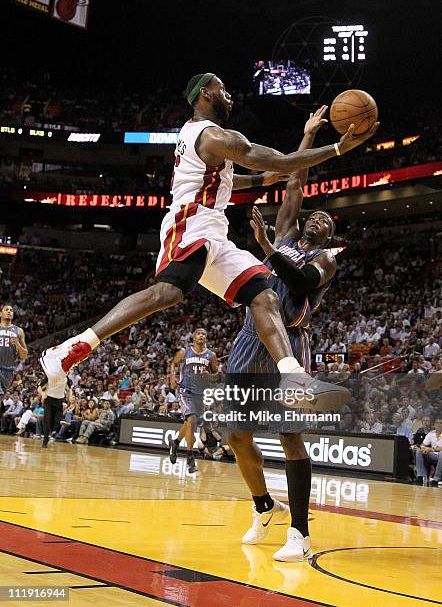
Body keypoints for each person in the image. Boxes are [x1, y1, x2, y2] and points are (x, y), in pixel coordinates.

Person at [39, 73, 378, 410]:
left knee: (264, 296)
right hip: (192, 220)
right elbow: (281, 161)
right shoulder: (213, 136)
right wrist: (336, 148)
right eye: (223, 88)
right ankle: (71, 349)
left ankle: (293, 378)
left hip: (213, 228)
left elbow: (228, 180)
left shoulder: (200, 137)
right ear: (205, 94)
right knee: (168, 292)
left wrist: (262, 178)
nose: (229, 94)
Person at [226, 108, 339, 563]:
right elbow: (294, 180)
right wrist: (309, 133)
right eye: (315, 218)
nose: (319, 221)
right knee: (235, 433)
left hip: (291, 341)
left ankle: (301, 533)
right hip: (251, 336)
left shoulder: (329, 258)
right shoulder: (289, 230)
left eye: (327, 222)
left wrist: (269, 248)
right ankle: (263, 505)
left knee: (290, 436)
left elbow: (304, 283)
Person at [169, 328, 218, 473]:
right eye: (199, 333)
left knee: (189, 423)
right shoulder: (185, 352)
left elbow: (215, 373)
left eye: (204, 333)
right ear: (194, 337)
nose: (201, 335)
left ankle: (175, 443)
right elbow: (173, 363)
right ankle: (190, 458)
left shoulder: (211, 355)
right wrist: (172, 377)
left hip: (200, 394)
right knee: (192, 419)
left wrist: (209, 374)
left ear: (206, 338)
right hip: (186, 391)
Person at [38, 374, 73, 448]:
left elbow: (69, 389)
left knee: (57, 420)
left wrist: (69, 396)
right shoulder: (49, 376)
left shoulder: (66, 378)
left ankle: (53, 432)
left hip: (59, 400)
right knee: (47, 419)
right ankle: (45, 439)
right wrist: (43, 394)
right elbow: (39, 388)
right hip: (49, 400)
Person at [0, 304, 28, 395]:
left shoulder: (19, 331)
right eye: (6, 310)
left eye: (11, 310)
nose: (9, 311)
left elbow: (24, 355)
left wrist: (17, 344)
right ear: (0, 314)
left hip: (8, 370)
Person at [415, 418, 442, 486]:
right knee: (419, 451)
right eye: (437, 423)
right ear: (434, 425)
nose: (439, 425)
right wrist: (423, 448)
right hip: (432, 455)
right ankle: (421, 476)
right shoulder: (431, 433)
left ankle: (436, 478)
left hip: (440, 455)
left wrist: (431, 449)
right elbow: (423, 444)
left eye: (441, 423)